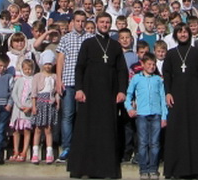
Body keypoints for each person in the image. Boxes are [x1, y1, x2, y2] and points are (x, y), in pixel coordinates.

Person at [68, 13, 128, 179]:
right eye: (102, 22)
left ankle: (106, 169)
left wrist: (122, 90)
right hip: (89, 94)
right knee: (87, 129)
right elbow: (79, 67)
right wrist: (79, 89)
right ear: (96, 23)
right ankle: (83, 168)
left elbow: (122, 70)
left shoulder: (115, 46)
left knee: (107, 131)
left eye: (107, 22)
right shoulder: (88, 43)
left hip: (109, 95)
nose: (105, 24)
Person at [163, 23, 198, 179]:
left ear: (189, 34)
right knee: (178, 133)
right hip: (177, 98)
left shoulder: (197, 53)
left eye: (185, 32)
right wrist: (167, 93)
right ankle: (178, 169)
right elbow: (166, 75)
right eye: (179, 32)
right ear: (175, 35)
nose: (183, 34)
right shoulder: (171, 54)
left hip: (195, 97)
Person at [55, 10, 93, 162]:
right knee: (67, 116)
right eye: (78, 21)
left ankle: (83, 147)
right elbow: (60, 60)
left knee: (84, 116)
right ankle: (67, 148)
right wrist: (58, 80)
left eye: (83, 21)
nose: (80, 24)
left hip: (84, 84)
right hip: (69, 82)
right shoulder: (66, 38)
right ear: (73, 22)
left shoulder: (90, 38)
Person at [125, 52, 168, 180]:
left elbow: (162, 98)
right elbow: (129, 95)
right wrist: (129, 108)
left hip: (156, 114)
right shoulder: (136, 79)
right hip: (142, 115)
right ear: (142, 64)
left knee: (154, 143)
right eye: (149, 64)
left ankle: (153, 168)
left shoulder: (158, 80)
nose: (151, 67)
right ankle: (144, 169)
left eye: (154, 64)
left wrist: (164, 116)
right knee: (143, 143)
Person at [31, 50, 60, 165]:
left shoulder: (55, 76)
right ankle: (35, 152)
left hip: (50, 104)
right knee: (38, 129)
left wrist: (57, 102)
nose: (47, 66)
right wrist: (34, 106)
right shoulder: (37, 76)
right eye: (46, 64)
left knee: (48, 129)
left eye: (49, 64)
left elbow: (57, 92)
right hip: (40, 103)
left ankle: (49, 152)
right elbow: (34, 92)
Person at [9, 59, 35, 162]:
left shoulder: (34, 80)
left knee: (26, 130)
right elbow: (14, 94)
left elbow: (34, 94)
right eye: (25, 69)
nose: (27, 71)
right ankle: (15, 151)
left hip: (27, 110)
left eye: (29, 69)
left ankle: (24, 151)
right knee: (15, 131)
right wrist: (20, 105)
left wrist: (29, 106)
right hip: (18, 110)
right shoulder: (18, 80)